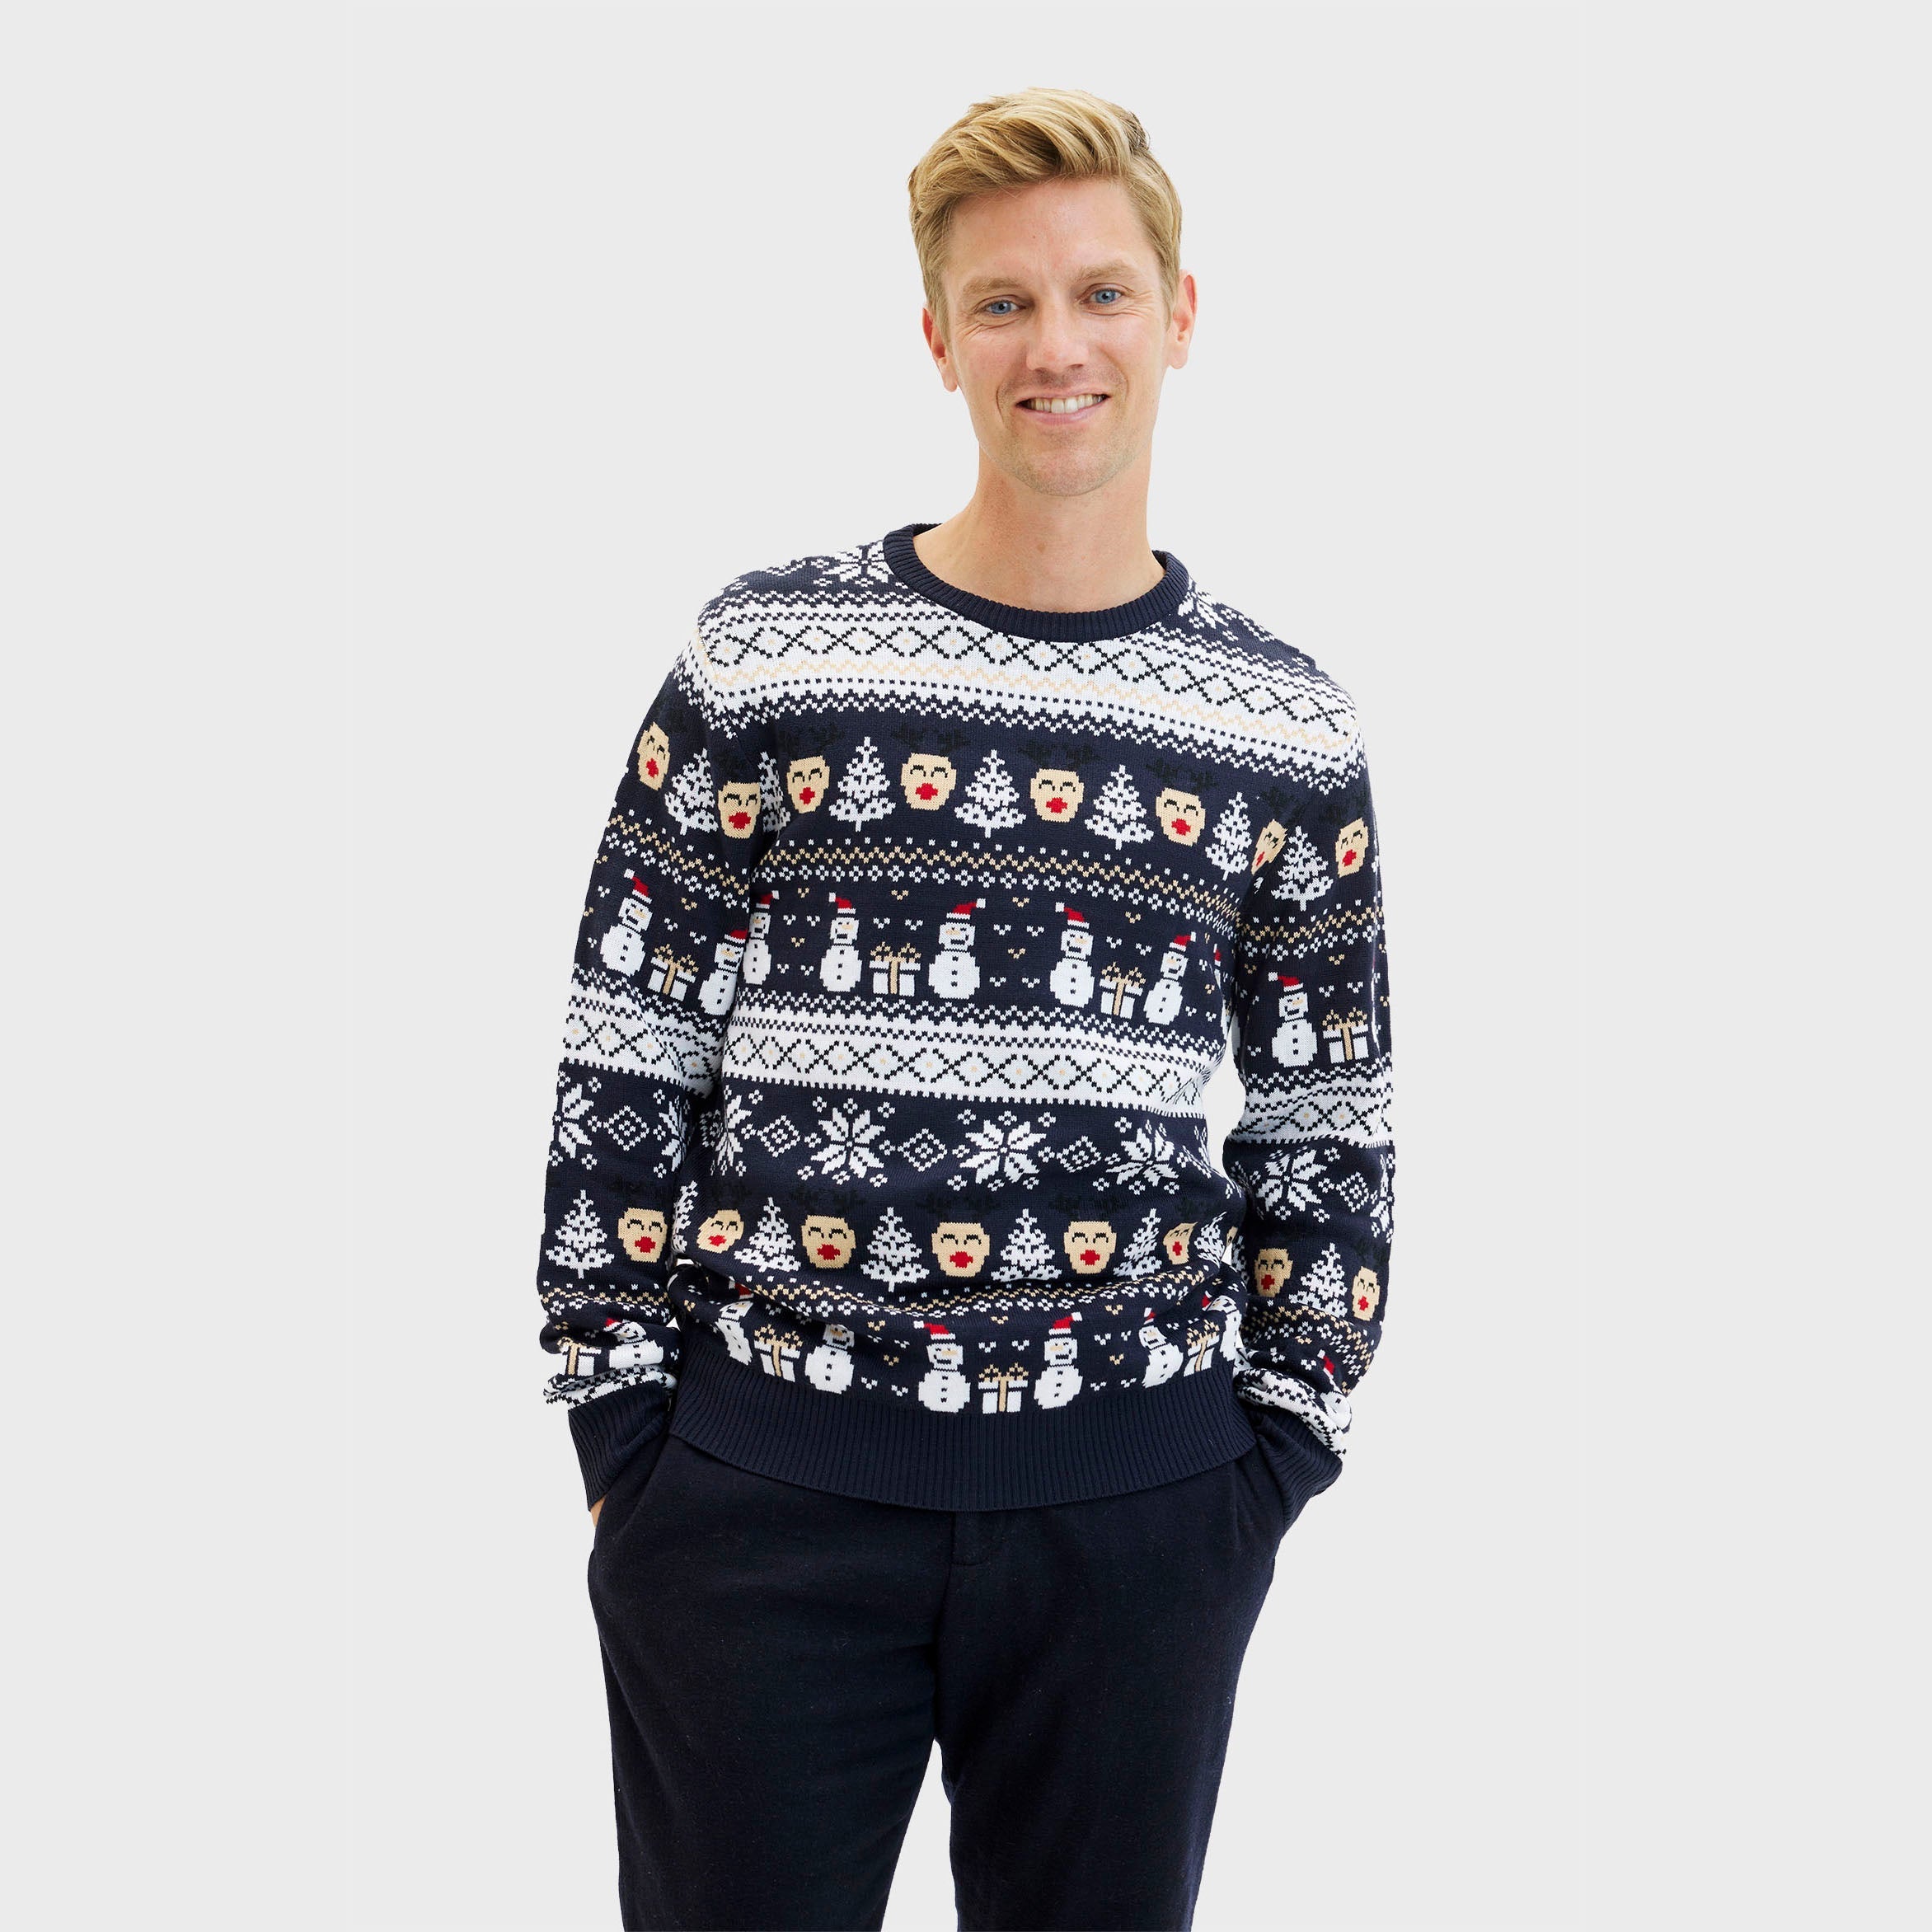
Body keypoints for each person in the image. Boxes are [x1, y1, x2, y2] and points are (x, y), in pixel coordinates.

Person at [533, 85, 1395, 1932]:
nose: (1053, 345)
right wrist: (624, 1436)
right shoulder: (768, 655)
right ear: (936, 335)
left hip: (1141, 1512)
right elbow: (633, 1035)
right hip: (757, 1497)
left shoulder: (1282, 720)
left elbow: (1330, 1111)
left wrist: (1271, 1449)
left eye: (1100, 292)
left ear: (1179, 315)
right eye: (1001, 302)